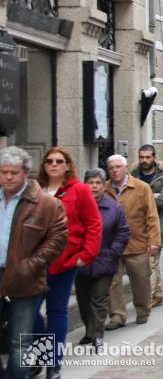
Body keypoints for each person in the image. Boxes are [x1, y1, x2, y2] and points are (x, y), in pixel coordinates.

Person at [34, 147, 102, 376]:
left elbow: (94, 224)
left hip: (65, 261)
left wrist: (86, 254)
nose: (53, 164)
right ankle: (41, 351)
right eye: (49, 161)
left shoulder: (80, 191)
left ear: (67, 165)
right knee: (27, 310)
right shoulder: (35, 190)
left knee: (56, 310)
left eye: (59, 161)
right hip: (34, 263)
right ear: (44, 165)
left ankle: (53, 365)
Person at [0, 146, 66, 379]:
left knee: (21, 339)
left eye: (13, 172)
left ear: (25, 173)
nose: (8, 177)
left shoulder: (45, 204)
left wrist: (33, 264)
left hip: (25, 277)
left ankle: (31, 373)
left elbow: (58, 237)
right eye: (4, 171)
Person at [75, 169, 130, 351]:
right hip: (81, 262)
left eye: (98, 183)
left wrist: (114, 251)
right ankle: (89, 331)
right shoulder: (77, 205)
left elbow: (123, 231)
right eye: (91, 183)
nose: (95, 186)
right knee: (83, 299)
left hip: (105, 260)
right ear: (85, 185)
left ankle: (98, 335)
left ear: (103, 185)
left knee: (99, 299)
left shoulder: (113, 207)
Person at [104, 154, 161, 330]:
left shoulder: (142, 188)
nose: (115, 170)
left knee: (141, 279)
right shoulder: (105, 189)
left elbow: (152, 216)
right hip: (112, 245)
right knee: (112, 281)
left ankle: (143, 310)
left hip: (137, 242)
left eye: (118, 167)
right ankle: (118, 315)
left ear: (126, 168)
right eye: (111, 168)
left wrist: (153, 241)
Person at [131, 144, 163, 309]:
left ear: (154, 157)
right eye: (142, 157)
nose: (145, 160)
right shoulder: (134, 175)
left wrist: (143, 196)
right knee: (150, 263)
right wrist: (151, 195)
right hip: (137, 225)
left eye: (148, 157)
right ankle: (158, 294)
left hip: (157, 224)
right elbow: (129, 200)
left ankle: (148, 298)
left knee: (151, 262)